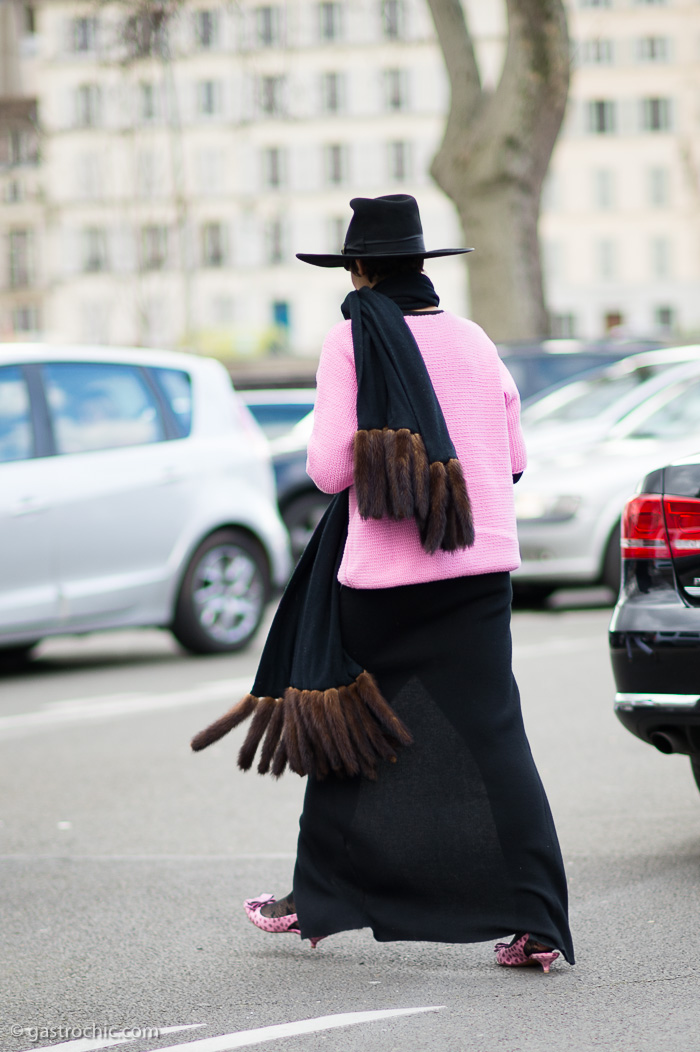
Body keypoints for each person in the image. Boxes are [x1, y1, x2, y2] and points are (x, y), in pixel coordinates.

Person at [194, 194, 574, 972]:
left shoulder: (351, 339)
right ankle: (538, 922)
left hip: (385, 582)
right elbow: (513, 458)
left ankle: (315, 900)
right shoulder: (473, 340)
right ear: (424, 266)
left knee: (351, 736)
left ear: (359, 269)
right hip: (477, 573)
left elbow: (329, 468)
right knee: (497, 739)